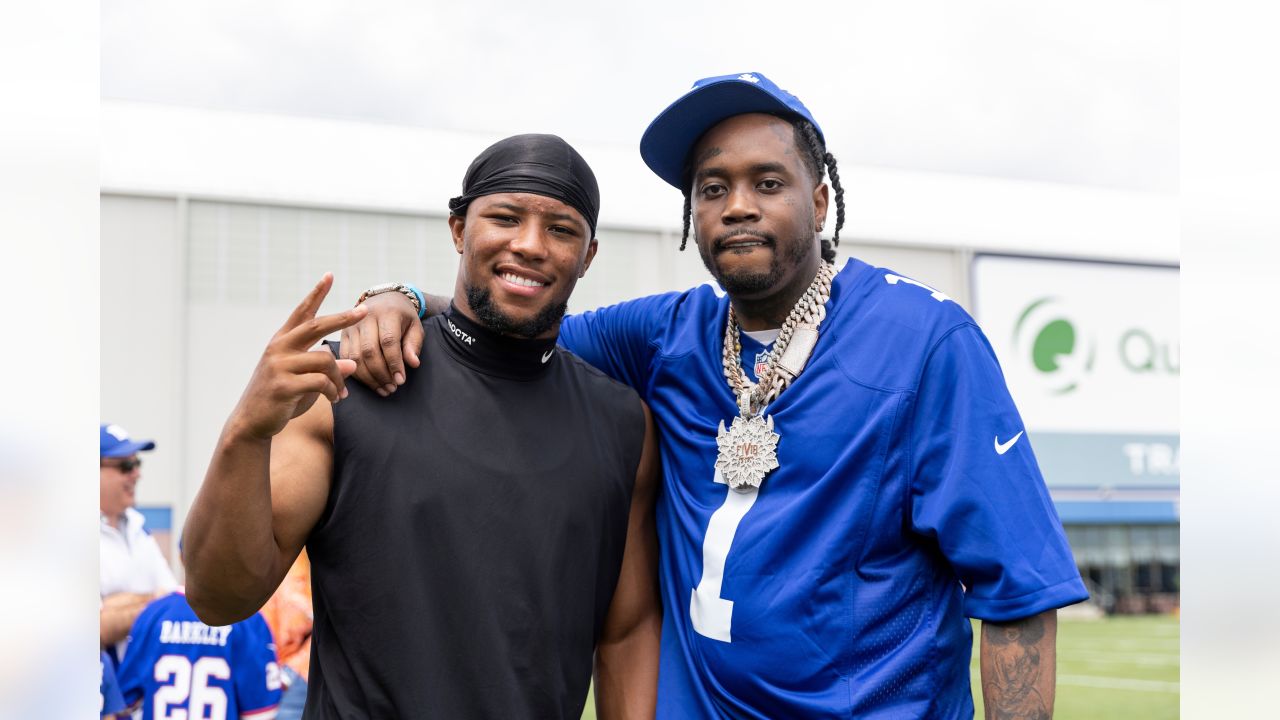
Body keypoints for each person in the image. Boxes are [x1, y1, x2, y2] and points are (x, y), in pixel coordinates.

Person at [345, 72, 1089, 718]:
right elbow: (511, 320)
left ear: (821, 199)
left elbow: (1017, 595)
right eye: (712, 188)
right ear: (690, 214)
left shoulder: (924, 341)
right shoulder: (664, 333)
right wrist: (404, 296)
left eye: (768, 183)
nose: (737, 206)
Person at [182, 134, 661, 719]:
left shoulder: (622, 425)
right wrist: (244, 435)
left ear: (587, 257)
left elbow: (627, 631)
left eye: (562, 230)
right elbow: (218, 597)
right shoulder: (342, 387)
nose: (530, 245)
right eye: (505, 218)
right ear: (459, 230)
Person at [115, 588, 282, 720]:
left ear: (183, 558)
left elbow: (124, 703)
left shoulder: (153, 613)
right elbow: (261, 710)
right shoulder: (248, 618)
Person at [100, 422, 178, 658]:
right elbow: (97, 630)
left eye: (137, 464)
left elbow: (172, 599)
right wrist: (153, 600)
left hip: (143, 685)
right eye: (126, 466)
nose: (137, 474)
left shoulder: (137, 525)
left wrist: (119, 605)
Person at [258, 551, 313, 720]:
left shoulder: (295, 558)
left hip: (291, 671)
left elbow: (293, 620)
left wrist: (289, 671)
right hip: (273, 667)